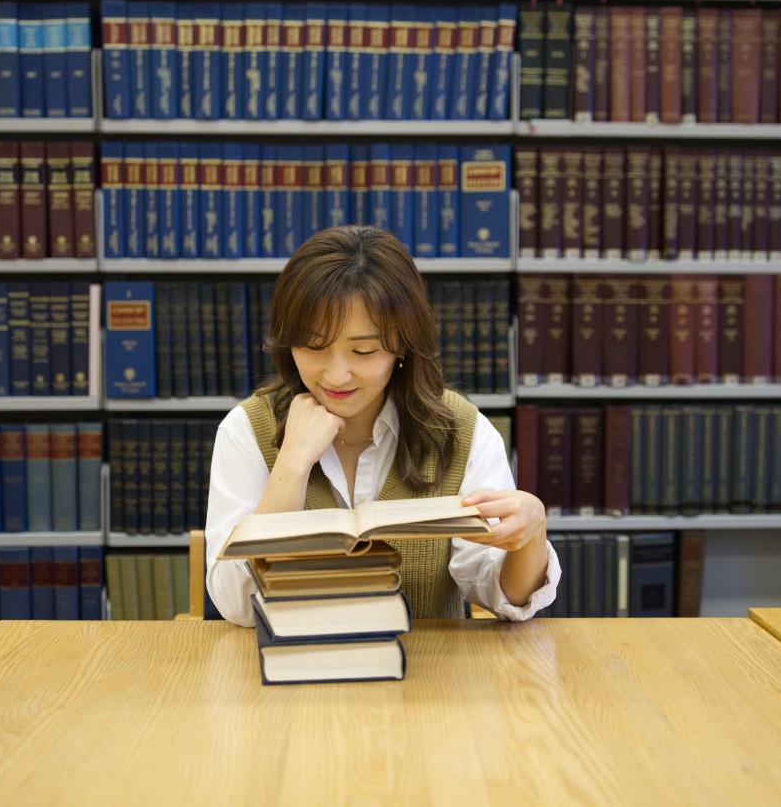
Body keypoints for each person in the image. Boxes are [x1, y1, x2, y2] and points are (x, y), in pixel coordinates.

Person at [205, 224, 559, 626]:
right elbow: (237, 606)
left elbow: (503, 595)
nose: (336, 376)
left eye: (364, 350)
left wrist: (532, 533)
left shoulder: (459, 431)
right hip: (288, 678)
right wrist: (293, 462)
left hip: (426, 680)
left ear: (403, 344)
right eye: (313, 346)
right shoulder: (246, 429)